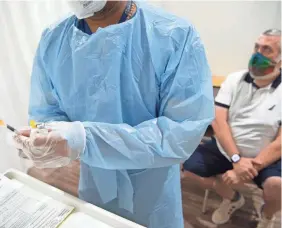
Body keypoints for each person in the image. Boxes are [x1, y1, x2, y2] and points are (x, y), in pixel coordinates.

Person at [12, 1, 214, 228]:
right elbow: (47, 112)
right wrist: (47, 138)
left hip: (154, 191)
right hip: (94, 184)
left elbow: (180, 132)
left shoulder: (173, 35)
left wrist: (85, 139)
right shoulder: (54, 40)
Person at [182, 29, 281, 228]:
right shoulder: (235, 79)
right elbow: (219, 122)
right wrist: (236, 159)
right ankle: (233, 199)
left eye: (266, 49)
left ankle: (267, 215)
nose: (258, 53)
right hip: (226, 150)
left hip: (264, 157)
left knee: (277, 186)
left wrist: (251, 166)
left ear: (279, 59)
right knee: (185, 167)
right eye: (257, 47)